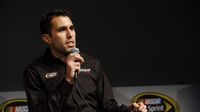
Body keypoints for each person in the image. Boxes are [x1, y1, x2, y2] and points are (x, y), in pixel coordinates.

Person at [23, 9, 147, 112]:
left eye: (71, 28)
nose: (70, 34)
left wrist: (129, 110)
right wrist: (67, 80)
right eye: (62, 30)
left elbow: (108, 107)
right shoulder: (35, 71)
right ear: (47, 38)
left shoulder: (92, 63)